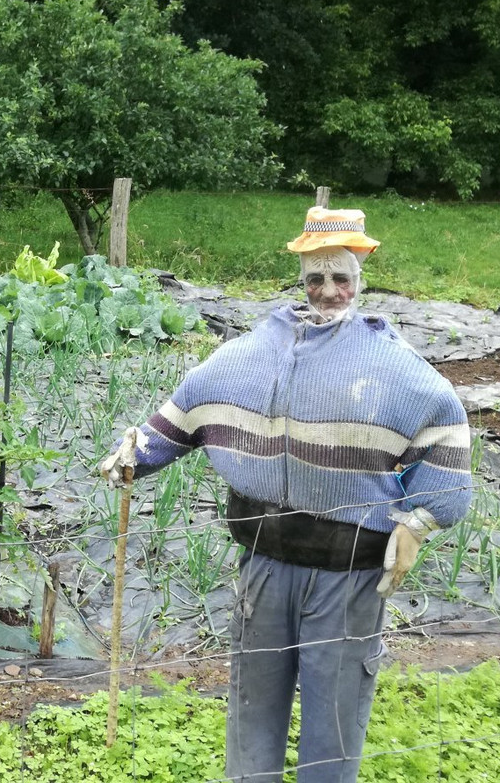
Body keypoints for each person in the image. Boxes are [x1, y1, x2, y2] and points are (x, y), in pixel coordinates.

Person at [99, 206, 473, 782]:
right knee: (253, 705)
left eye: (340, 277)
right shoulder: (249, 356)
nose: (328, 291)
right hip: (264, 565)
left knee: (337, 715)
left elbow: (446, 436)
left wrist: (418, 521)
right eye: (316, 278)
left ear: (361, 275)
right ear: (301, 278)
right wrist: (137, 452)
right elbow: (189, 406)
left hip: (349, 573)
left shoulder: (397, 369)